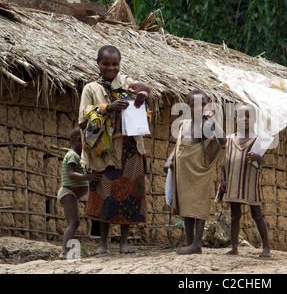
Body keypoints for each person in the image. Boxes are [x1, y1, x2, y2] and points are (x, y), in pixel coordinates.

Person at [79, 45, 152, 255]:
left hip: (131, 149)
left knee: (128, 194)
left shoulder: (129, 84)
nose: (111, 68)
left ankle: (123, 243)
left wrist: (143, 95)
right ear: (98, 63)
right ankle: (103, 244)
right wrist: (107, 109)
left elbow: (148, 98)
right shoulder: (91, 89)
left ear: (120, 64)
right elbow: (83, 120)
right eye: (106, 64)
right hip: (105, 151)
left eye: (115, 64)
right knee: (105, 194)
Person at [164, 89, 227, 254]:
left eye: (203, 104)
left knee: (198, 206)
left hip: (199, 172)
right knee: (186, 207)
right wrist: (170, 160)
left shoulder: (207, 125)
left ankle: (197, 244)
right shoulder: (184, 124)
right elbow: (179, 144)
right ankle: (190, 242)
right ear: (188, 107)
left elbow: (223, 140)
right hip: (183, 172)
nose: (199, 107)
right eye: (194, 105)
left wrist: (212, 119)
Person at [218, 103, 270, 257]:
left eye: (249, 116)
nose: (245, 119)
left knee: (257, 214)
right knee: (235, 215)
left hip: (249, 183)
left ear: (254, 119)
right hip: (233, 183)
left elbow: (263, 162)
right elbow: (224, 162)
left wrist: (258, 157)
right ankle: (234, 247)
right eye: (241, 116)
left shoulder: (257, 139)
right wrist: (223, 180)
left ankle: (266, 247)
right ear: (235, 118)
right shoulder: (229, 139)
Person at [57, 127, 100, 260]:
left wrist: (88, 174)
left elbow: (78, 172)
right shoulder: (72, 155)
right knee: (74, 222)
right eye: (86, 141)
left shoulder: (77, 157)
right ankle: (64, 252)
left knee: (73, 222)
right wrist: (88, 177)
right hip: (68, 192)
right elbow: (71, 174)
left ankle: (67, 250)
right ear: (79, 140)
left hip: (71, 193)